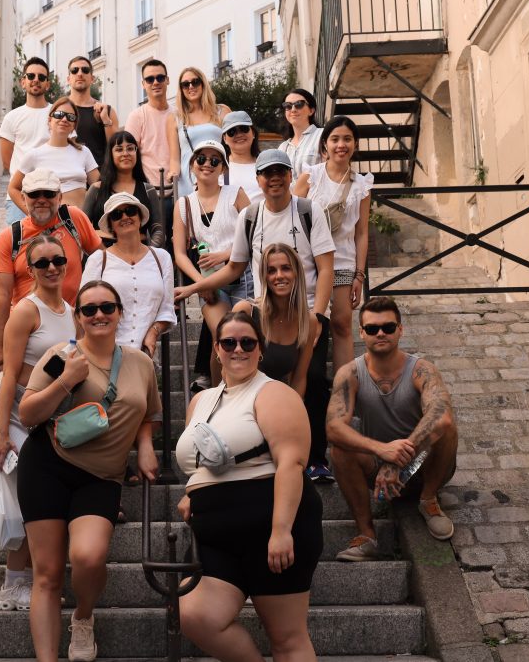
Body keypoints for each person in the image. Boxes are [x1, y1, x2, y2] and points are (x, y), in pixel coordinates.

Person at [18, 281, 160, 662]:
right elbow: (28, 414)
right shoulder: (59, 355)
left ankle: (82, 615)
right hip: (46, 465)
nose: (99, 314)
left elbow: (149, 414)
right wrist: (66, 379)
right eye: (89, 309)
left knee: (89, 557)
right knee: (47, 574)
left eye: (107, 307)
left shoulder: (142, 363)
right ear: (78, 317)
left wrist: (144, 446)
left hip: (102, 477)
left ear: (120, 313)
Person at [175, 148, 336, 481]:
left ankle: (315, 456)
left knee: (316, 378)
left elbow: (325, 268)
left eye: (280, 171)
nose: (274, 178)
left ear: (290, 175)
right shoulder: (249, 216)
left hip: (306, 311)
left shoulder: (308, 210)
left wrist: (318, 316)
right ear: (258, 179)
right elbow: (235, 267)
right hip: (266, 310)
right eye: (267, 173)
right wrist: (193, 289)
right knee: (256, 376)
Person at [175, 311, 321, 662]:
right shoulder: (201, 400)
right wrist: (190, 491)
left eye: (247, 342)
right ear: (216, 349)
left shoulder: (273, 393)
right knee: (194, 615)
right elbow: (202, 459)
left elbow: (291, 462)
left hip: (269, 528)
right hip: (214, 535)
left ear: (260, 350)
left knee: (286, 638)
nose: (237, 349)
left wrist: (281, 530)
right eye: (229, 342)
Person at [0, 235, 76, 611]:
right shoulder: (25, 311)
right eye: (42, 262)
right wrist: (1, 433)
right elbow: (9, 374)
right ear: (29, 270)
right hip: (1, 412)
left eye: (57, 260)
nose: (51, 267)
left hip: (34, 416)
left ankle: (28, 582)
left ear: (66, 263)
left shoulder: (70, 311)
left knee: (35, 496)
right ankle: (12, 587)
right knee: (26, 494)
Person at [327, 297, 458, 561]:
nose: (381, 333)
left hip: (423, 466)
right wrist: (383, 451)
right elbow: (333, 428)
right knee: (340, 449)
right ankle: (367, 535)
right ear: (362, 333)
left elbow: (441, 416)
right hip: (378, 470)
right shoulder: (350, 373)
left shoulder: (421, 370)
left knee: (447, 428)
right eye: (372, 329)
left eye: (388, 327)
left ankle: (428, 500)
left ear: (400, 329)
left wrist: (399, 460)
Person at [0, 169, 102, 386]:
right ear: (22, 198)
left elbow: (102, 260)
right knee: (3, 384)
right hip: (26, 332)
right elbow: (2, 296)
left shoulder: (73, 219)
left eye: (48, 194)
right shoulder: (10, 237)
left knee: (68, 390)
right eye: (34, 194)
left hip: (69, 327)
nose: (41, 200)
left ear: (60, 197)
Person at [172, 129, 251, 386]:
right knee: (223, 338)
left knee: (243, 338)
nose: (207, 164)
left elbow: (255, 235)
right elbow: (180, 254)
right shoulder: (184, 204)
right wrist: (201, 284)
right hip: (207, 281)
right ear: (192, 165)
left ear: (223, 168)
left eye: (215, 160)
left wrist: (225, 254)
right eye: (201, 159)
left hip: (243, 276)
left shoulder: (236, 194)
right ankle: (221, 396)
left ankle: (240, 393)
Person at [295, 115, 373, 370]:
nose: (342, 145)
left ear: (355, 145)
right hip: (308, 261)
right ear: (324, 145)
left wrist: (359, 276)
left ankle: (344, 388)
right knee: (303, 322)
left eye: (348, 139)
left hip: (342, 261)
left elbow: (361, 233)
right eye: (335, 139)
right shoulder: (311, 177)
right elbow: (289, 216)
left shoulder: (361, 185)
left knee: (341, 324)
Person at [82, 193, 175, 356]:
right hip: (104, 353)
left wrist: (153, 332)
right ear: (111, 224)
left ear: (140, 217)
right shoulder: (98, 259)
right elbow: (84, 308)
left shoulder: (162, 258)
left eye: (130, 211)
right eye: (117, 215)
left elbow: (167, 310)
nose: (125, 216)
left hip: (145, 355)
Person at [232, 244, 316, 397]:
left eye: (286, 268)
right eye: (271, 271)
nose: (279, 276)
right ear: (264, 276)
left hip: (276, 402)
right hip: (240, 399)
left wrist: (294, 411)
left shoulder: (308, 322)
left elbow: (299, 378)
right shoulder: (245, 312)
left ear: (297, 273)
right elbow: (225, 369)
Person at [9, 96, 101, 213]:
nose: (64, 119)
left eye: (70, 117)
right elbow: (13, 188)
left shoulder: (83, 152)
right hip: (51, 226)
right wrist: (31, 214)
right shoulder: (34, 155)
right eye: (59, 114)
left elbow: (99, 186)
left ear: (74, 125)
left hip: (81, 222)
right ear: (49, 120)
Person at [81, 131, 165, 247]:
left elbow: (158, 229)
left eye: (130, 148)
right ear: (110, 155)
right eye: (119, 149)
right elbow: (82, 228)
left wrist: (149, 253)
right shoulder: (96, 190)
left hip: (141, 257)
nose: (125, 153)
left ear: (137, 153)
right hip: (104, 255)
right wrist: (103, 252)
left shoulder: (148, 190)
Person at [0, 56, 52, 224]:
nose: (36, 80)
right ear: (23, 81)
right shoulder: (11, 118)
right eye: (31, 76)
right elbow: (7, 163)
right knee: (19, 248)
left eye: (41, 77)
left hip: (52, 195)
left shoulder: (58, 114)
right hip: (19, 197)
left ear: (47, 84)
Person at [124, 59, 174, 235]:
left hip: (180, 192)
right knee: (157, 247)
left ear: (168, 80)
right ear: (143, 84)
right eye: (150, 79)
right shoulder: (137, 116)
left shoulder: (178, 114)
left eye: (160, 78)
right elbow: (129, 155)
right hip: (150, 194)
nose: (155, 83)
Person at [166, 67, 230, 198]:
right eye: (185, 84)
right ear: (181, 89)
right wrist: (173, 173)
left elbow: (232, 146)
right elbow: (175, 157)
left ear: (203, 84)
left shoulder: (222, 111)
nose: (190, 87)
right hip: (188, 181)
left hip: (218, 176)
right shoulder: (175, 118)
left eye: (195, 82)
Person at [66, 56, 119, 166]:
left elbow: (116, 146)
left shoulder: (107, 110)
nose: (80, 74)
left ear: (92, 78)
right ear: (68, 79)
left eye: (85, 70)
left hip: (100, 179)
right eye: (74, 70)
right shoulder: (59, 111)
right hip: (68, 178)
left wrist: (105, 120)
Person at [277, 88, 321, 178]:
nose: (293, 109)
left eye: (299, 104)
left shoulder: (323, 135)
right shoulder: (282, 148)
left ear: (311, 110)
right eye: (288, 106)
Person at [221, 110, 262, 204]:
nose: (239, 134)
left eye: (244, 128)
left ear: (253, 133)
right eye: (232, 131)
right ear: (225, 139)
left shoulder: (266, 163)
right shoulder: (219, 167)